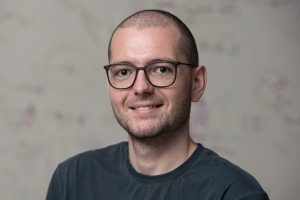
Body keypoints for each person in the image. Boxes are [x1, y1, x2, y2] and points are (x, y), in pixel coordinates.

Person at [46, 9, 269, 200]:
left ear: (196, 83)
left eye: (161, 69)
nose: (141, 88)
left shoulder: (234, 193)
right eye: (123, 72)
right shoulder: (73, 179)